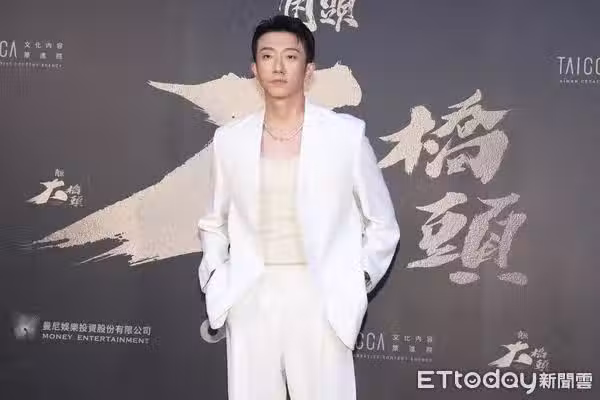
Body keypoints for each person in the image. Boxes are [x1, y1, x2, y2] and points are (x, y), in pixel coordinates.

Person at [197, 14, 400, 400]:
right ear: (254, 69)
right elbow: (213, 222)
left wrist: (355, 281)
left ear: (308, 70)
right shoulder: (230, 140)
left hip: (321, 297)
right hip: (250, 295)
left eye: (290, 56)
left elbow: (382, 224)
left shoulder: (346, 135)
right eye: (267, 56)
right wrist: (217, 278)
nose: (278, 67)